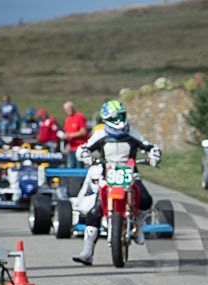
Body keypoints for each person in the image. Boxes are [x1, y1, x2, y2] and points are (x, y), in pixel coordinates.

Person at [71, 100, 161, 265]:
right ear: (106, 118)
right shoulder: (100, 135)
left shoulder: (133, 134)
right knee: (94, 211)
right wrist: (86, 157)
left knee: (146, 199)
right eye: (115, 117)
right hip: (108, 176)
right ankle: (87, 250)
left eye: (122, 115)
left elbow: (151, 147)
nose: (119, 120)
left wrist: (154, 156)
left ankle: (139, 227)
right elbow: (83, 148)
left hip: (131, 175)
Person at [62, 101, 89, 168]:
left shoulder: (79, 117)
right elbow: (66, 131)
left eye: (69, 109)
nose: (67, 111)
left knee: (79, 167)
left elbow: (83, 131)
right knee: (71, 166)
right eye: (66, 109)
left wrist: (71, 135)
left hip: (80, 147)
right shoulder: (67, 119)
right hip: (71, 147)